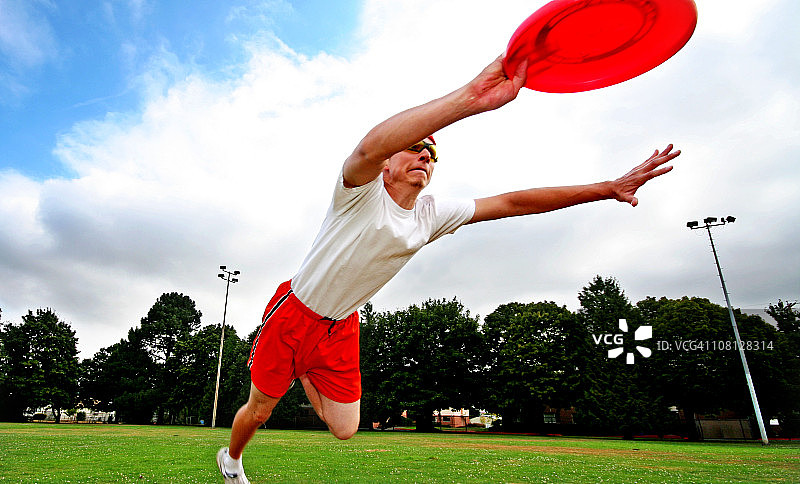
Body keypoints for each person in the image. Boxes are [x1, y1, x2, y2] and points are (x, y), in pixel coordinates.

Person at [217, 54, 680, 483]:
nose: (425, 156)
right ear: (387, 166)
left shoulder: (432, 213)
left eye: (432, 156)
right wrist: (471, 98)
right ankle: (232, 460)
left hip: (342, 324)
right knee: (259, 412)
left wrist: (606, 187)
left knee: (344, 429)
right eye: (415, 148)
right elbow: (370, 146)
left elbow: (513, 202)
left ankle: (304, 370)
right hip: (295, 312)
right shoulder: (358, 192)